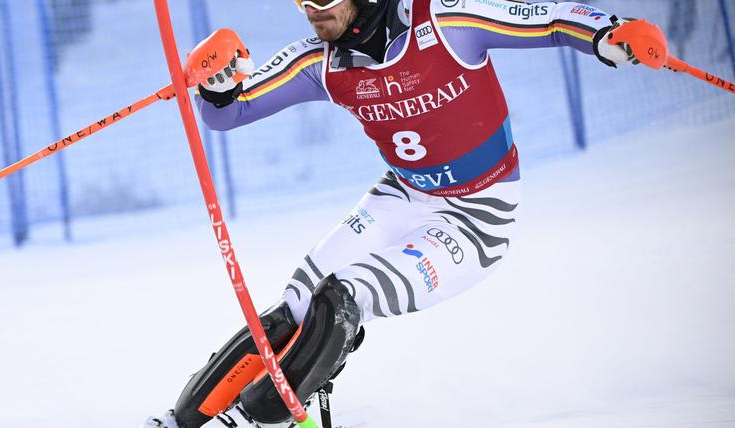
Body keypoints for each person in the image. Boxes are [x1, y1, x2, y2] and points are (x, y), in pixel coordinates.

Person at [146, 0, 639, 426]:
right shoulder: (323, 62)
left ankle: (257, 420)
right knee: (296, 302)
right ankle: (182, 420)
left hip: (477, 216)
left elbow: (547, 18)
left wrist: (609, 34)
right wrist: (215, 82)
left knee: (344, 296)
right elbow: (229, 112)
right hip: (402, 195)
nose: (312, 11)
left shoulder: (445, 22)